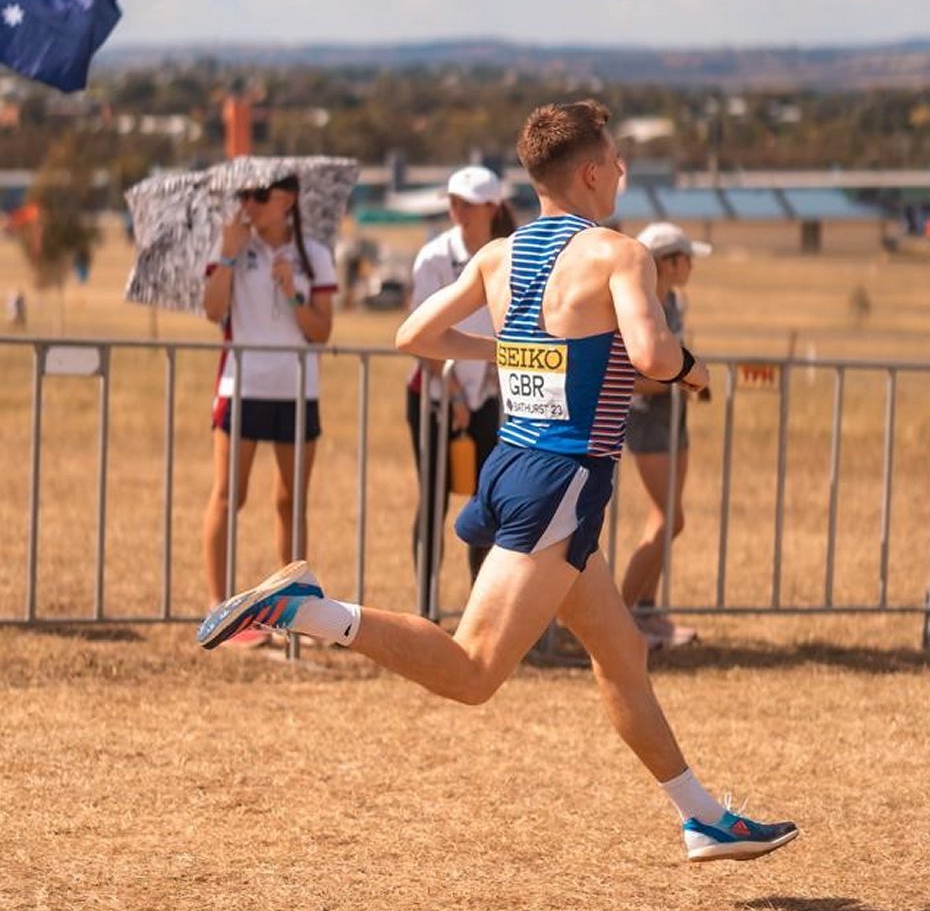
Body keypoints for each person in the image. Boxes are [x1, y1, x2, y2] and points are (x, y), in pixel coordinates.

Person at [197, 101, 798, 863]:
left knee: (620, 654)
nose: (620, 172)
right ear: (588, 172)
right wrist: (691, 368)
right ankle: (308, 610)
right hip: (563, 481)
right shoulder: (620, 254)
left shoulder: (499, 256)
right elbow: (649, 354)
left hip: (516, 465)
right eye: (614, 161)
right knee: (475, 671)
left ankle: (702, 816)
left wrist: (512, 354)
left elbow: (413, 335)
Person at [200, 174, 336, 647]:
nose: (250, 205)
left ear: (289, 200)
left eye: (259, 196)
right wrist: (229, 254)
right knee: (228, 495)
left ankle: (293, 612)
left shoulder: (314, 254)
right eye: (245, 196)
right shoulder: (234, 246)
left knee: (289, 500)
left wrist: (292, 289)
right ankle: (218, 608)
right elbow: (213, 309)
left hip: (297, 390)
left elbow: (321, 331)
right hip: (241, 387)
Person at [406, 166, 516, 605]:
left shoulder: (507, 255)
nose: (458, 210)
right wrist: (452, 396)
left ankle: (480, 606)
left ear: (492, 207)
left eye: (468, 202)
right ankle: (426, 603)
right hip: (434, 398)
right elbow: (419, 334)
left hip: (488, 398)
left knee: (485, 504)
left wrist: (488, 381)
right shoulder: (433, 258)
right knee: (432, 500)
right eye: (453, 200)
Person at [622, 222, 710, 650]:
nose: (691, 266)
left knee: (668, 519)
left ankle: (646, 610)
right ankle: (621, 615)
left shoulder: (673, 301)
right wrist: (681, 379)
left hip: (670, 414)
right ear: (665, 262)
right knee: (668, 518)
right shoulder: (638, 304)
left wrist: (686, 380)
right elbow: (633, 375)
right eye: (685, 258)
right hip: (647, 418)